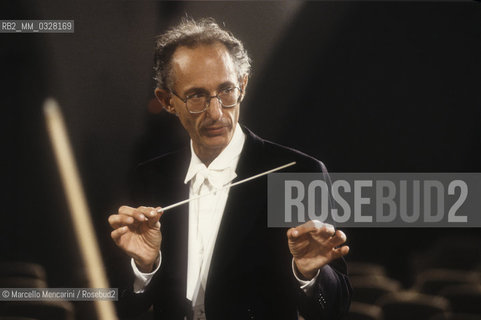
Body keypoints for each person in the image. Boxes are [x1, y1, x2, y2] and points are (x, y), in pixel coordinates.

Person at [108, 18, 351, 320]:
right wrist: (144, 268)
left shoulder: (298, 174)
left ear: (243, 86)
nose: (215, 112)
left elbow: (337, 308)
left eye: (226, 91)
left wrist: (307, 275)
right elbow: (119, 306)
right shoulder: (148, 177)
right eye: (196, 96)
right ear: (167, 101)